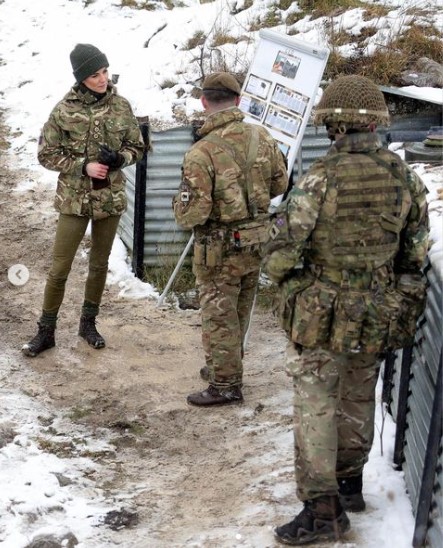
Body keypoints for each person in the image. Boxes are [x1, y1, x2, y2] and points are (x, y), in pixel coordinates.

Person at [262, 75, 429, 545]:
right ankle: (349, 485)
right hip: (378, 310)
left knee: (316, 406)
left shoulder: (320, 178)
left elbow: (279, 256)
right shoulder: (406, 178)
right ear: (377, 123)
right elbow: (414, 257)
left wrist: (298, 284)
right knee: (358, 396)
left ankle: (321, 509)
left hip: (320, 313)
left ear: (333, 124)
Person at [173, 71, 288, 406]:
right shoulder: (261, 137)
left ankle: (225, 384)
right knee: (239, 309)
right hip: (255, 240)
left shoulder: (201, 152)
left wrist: (177, 204)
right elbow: (280, 185)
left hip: (218, 248)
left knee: (218, 314)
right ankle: (224, 367)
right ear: (238, 100)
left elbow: (191, 214)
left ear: (204, 100)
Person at [22, 44, 145, 357]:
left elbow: (138, 147)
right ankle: (46, 330)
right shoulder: (64, 110)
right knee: (60, 267)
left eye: (104, 71)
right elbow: (45, 154)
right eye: (95, 74)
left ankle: (88, 323)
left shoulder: (121, 106)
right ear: (81, 78)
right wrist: (83, 166)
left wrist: (119, 158)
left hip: (108, 198)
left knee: (99, 265)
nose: (103, 79)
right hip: (74, 200)